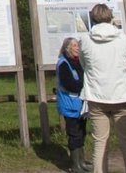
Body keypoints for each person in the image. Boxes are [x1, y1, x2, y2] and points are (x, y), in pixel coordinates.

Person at [79, 3, 126, 173]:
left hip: (96, 94)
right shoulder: (122, 38)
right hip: (122, 94)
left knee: (99, 142)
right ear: (110, 17)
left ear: (92, 18)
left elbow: (83, 64)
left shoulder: (85, 39)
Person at [56, 36, 90, 173]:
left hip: (80, 103)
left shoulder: (78, 62)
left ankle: (81, 162)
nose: (77, 48)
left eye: (78, 45)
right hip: (69, 104)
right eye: (75, 45)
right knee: (74, 133)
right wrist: (83, 86)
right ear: (67, 48)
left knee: (82, 132)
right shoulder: (63, 63)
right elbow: (69, 84)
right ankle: (75, 165)